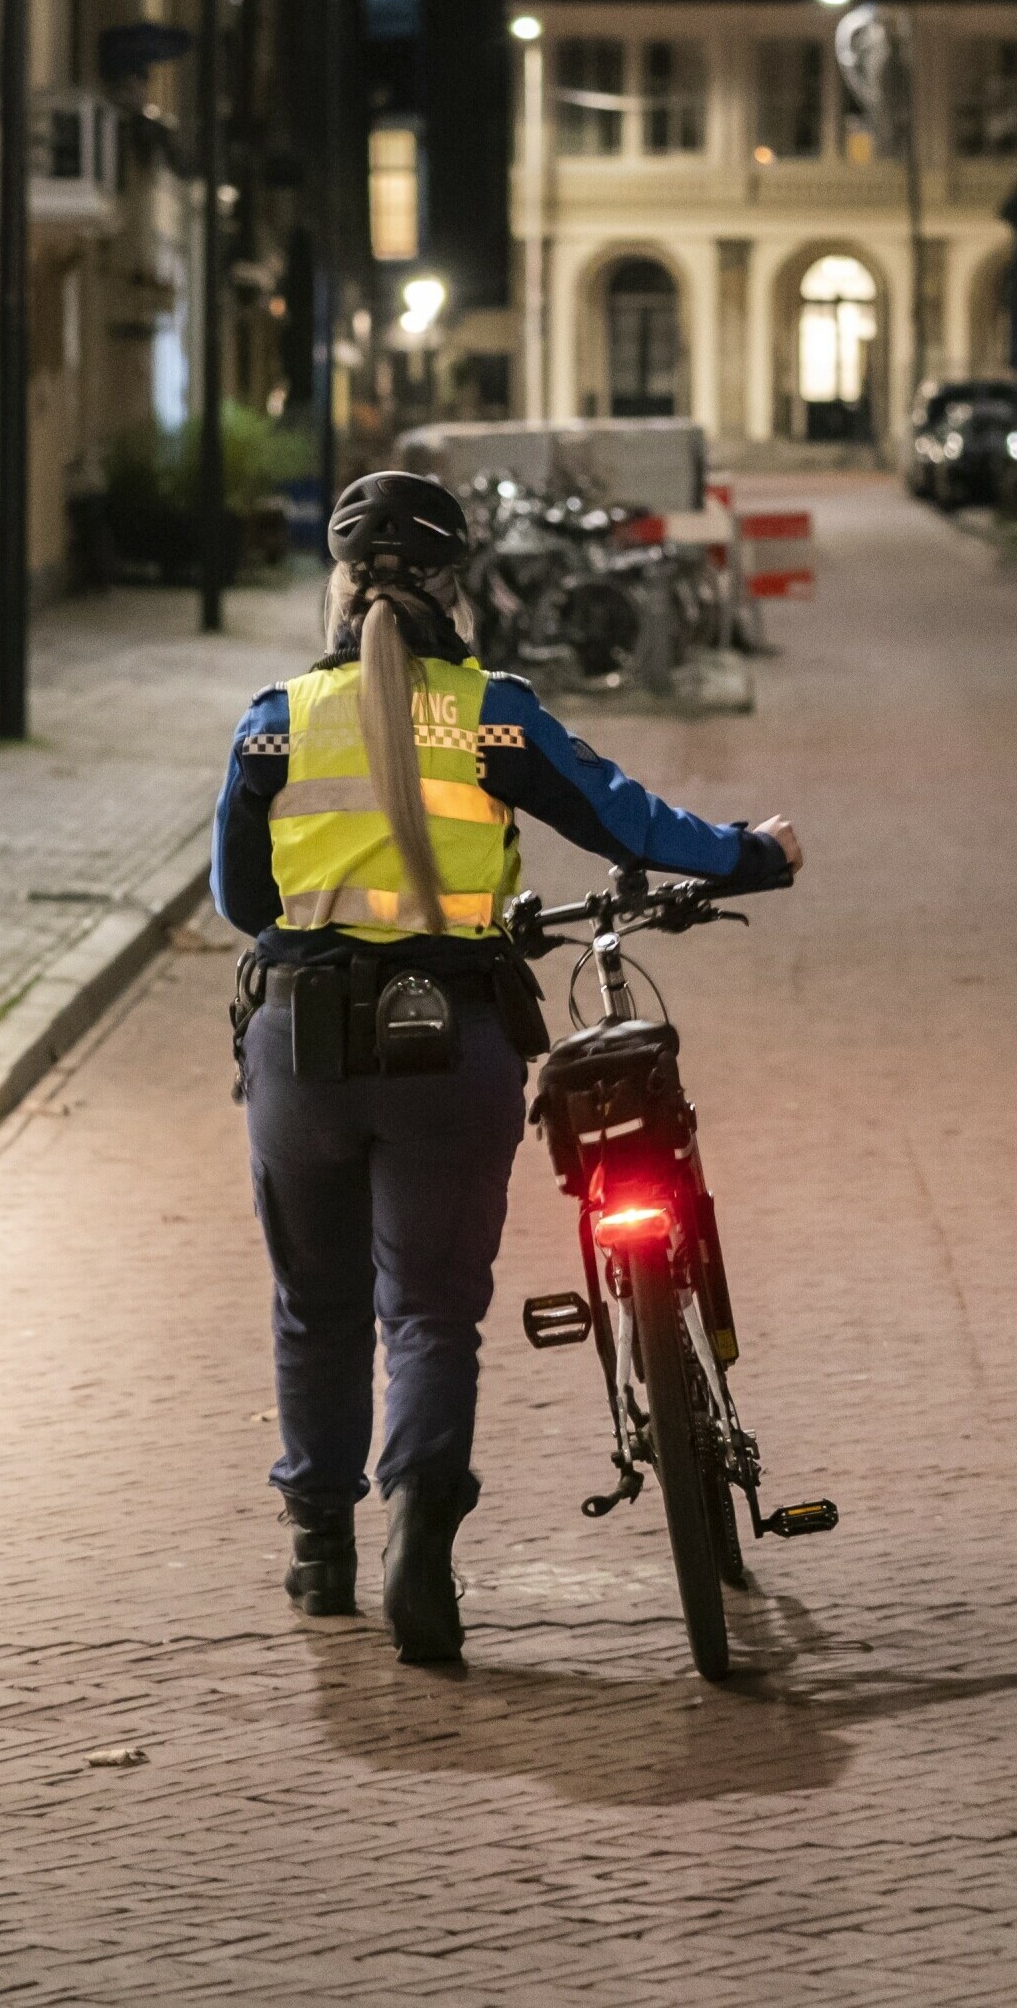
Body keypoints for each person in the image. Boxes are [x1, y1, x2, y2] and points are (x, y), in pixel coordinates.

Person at [214, 472, 801, 1662]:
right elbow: (626, 822)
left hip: (301, 1049)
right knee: (429, 1312)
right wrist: (748, 854)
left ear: (339, 586)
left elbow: (240, 900)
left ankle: (319, 1549)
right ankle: (419, 1542)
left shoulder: (271, 722)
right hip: (450, 1045)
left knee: (314, 1307)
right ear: (452, 587)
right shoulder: (496, 716)